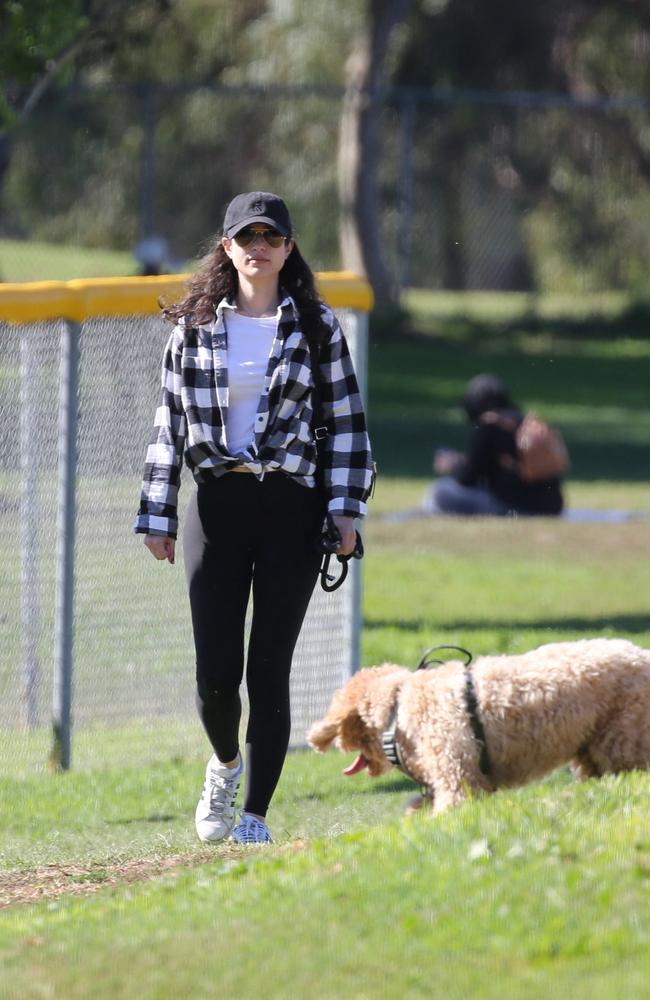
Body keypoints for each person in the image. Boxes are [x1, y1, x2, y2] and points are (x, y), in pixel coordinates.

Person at [134, 192, 373, 845]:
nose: (258, 246)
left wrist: (345, 511)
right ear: (227, 246)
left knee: (269, 666)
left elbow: (348, 425)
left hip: (291, 509)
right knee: (216, 674)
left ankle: (254, 816)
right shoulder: (193, 327)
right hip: (216, 504)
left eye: (271, 236)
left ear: (289, 248)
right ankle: (225, 764)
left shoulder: (318, 327)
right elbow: (168, 425)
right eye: (246, 236)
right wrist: (157, 511)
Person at [425, 373, 564, 517]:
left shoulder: (489, 426)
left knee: (439, 490)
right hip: (552, 506)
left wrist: (453, 465)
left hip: (514, 507)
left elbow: (468, 479)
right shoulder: (526, 422)